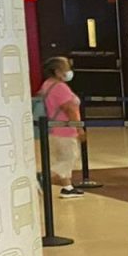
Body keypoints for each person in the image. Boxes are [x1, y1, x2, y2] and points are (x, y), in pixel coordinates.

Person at [39, 54, 85, 198]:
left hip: (53, 129)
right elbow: (69, 109)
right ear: (58, 71)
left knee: (62, 158)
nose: (69, 71)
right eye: (66, 68)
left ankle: (67, 186)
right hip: (65, 129)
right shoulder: (60, 87)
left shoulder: (47, 85)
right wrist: (79, 128)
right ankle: (43, 177)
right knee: (69, 158)